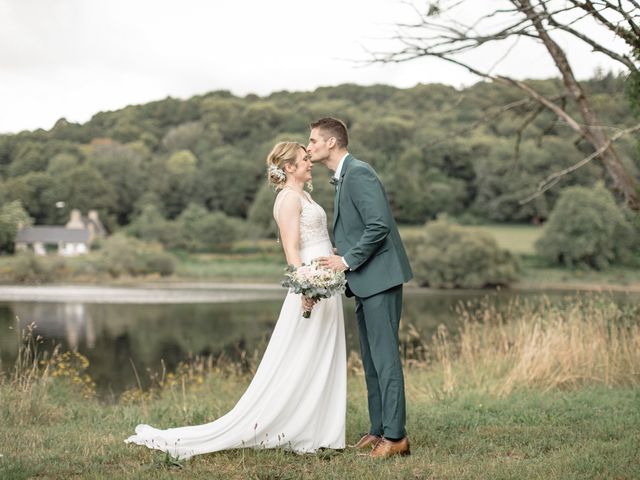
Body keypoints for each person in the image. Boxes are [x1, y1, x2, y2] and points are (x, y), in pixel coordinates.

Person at [125, 142, 346, 460]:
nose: (310, 163)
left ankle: (319, 428)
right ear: (289, 168)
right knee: (302, 354)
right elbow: (291, 251)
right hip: (312, 282)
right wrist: (306, 288)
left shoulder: (305, 195)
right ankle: (296, 427)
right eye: (304, 160)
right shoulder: (287, 200)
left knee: (321, 353)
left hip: (326, 277)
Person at [308, 117, 413, 459]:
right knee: (370, 360)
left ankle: (396, 438)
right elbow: (362, 227)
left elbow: (379, 225)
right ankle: (378, 429)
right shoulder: (343, 178)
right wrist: (344, 253)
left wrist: (347, 260)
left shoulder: (359, 173)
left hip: (379, 278)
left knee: (385, 360)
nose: (308, 147)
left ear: (331, 144)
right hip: (365, 281)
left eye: (312, 141)